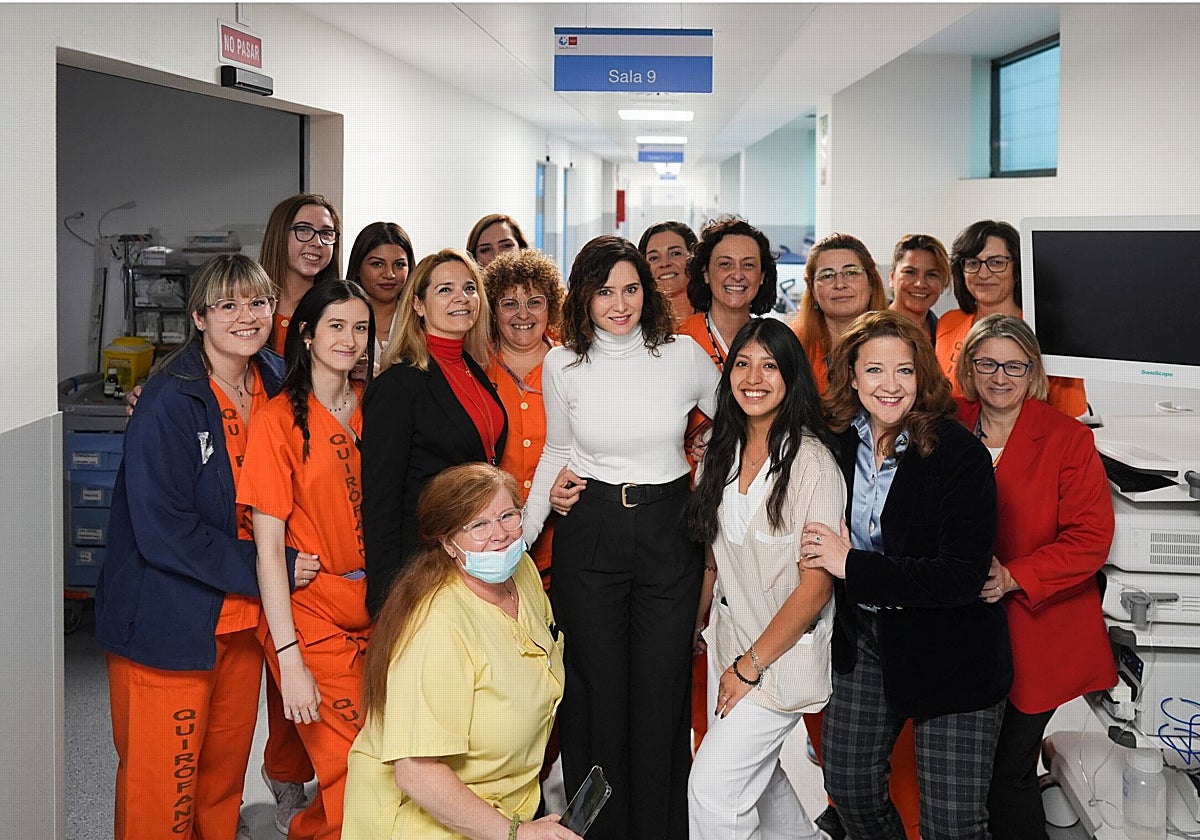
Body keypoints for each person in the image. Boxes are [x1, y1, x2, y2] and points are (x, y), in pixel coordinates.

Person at [95, 254, 318, 840]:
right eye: (228, 305)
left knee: (220, 784)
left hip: (242, 621)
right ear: (199, 317)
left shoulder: (278, 378)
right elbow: (164, 530)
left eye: (259, 302)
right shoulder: (169, 399)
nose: (247, 316)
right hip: (169, 622)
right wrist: (272, 567)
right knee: (162, 794)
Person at [523, 235, 721, 840]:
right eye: (604, 291)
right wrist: (521, 538)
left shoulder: (682, 354)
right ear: (583, 297)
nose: (619, 303)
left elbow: (736, 422)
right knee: (594, 694)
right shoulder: (561, 363)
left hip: (669, 531)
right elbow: (556, 450)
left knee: (661, 691)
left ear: (647, 292)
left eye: (630, 289)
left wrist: (711, 462)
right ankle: (595, 831)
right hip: (592, 529)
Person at [802, 309, 1011, 840]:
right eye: (874, 370)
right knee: (849, 790)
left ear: (923, 375)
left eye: (904, 370)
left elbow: (960, 576)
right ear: (852, 376)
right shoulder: (832, 442)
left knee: (952, 825)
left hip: (952, 651)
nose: (890, 385)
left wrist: (852, 564)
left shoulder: (959, 454)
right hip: (864, 638)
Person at [343, 463, 579, 840]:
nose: (499, 534)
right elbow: (416, 773)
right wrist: (517, 834)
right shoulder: (437, 628)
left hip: (505, 811)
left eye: (508, 516)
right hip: (426, 826)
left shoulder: (522, 573)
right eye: (478, 525)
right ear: (448, 542)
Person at [954, 314, 1116, 840]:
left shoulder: (1067, 438)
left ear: (1033, 371)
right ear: (969, 368)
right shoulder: (948, 425)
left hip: (1039, 628)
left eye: (1014, 366)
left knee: (1009, 772)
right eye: (987, 364)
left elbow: (1089, 539)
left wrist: (1012, 576)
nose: (1000, 377)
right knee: (970, 773)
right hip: (965, 630)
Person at [685, 319, 844, 840]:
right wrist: (697, 622)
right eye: (743, 364)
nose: (753, 378)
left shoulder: (813, 465)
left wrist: (749, 667)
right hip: (731, 644)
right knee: (758, 778)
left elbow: (816, 588)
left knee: (713, 792)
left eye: (769, 365)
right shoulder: (719, 451)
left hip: (778, 659)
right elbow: (714, 557)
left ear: (791, 377)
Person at [238, 280, 376, 840]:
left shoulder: (376, 404)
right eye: (336, 326)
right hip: (310, 615)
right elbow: (268, 551)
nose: (350, 339)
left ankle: (306, 824)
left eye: (361, 327)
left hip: (374, 607)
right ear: (307, 335)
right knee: (358, 765)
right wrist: (289, 658)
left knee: (384, 754)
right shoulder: (277, 421)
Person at [362, 248, 507, 616]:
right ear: (418, 305)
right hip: (425, 564)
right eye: (445, 290)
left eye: (470, 288)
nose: (462, 298)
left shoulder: (473, 368)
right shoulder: (398, 385)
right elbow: (380, 502)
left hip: (478, 556)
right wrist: (385, 600)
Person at [935, 219, 1087, 417]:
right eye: (972, 263)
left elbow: (1068, 414)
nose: (983, 273)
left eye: (996, 262)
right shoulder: (948, 323)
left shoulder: (1048, 331)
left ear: (1017, 271)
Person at [482, 248, 565, 589]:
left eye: (535, 302)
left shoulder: (573, 364)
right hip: (490, 545)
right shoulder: (475, 367)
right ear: (493, 310)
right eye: (509, 303)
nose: (523, 314)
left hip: (563, 540)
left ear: (551, 307)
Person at [790, 233, 888, 392]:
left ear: (871, 283)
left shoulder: (902, 341)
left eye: (851, 272)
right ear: (813, 290)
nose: (840, 284)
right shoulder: (792, 345)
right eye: (827, 275)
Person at [677, 216, 778, 368]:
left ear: (762, 276)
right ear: (706, 273)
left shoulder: (774, 343)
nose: (737, 275)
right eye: (725, 264)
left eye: (748, 265)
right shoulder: (679, 338)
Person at [260, 193, 342, 355]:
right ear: (279, 235)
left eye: (326, 233)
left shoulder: (342, 309)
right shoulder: (247, 307)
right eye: (304, 229)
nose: (317, 243)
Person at [346, 221, 415, 369]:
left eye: (399, 265)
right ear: (357, 267)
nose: (389, 274)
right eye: (377, 264)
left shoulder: (421, 320)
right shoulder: (337, 317)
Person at [887, 233, 951, 342]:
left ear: (943, 283)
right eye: (910, 272)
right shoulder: (867, 329)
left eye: (932, 275)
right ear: (892, 277)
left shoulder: (949, 336)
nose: (920, 284)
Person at [638, 220, 698, 323]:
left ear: (694, 257)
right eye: (654, 258)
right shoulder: (637, 323)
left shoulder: (717, 318)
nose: (664, 263)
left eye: (675, 253)